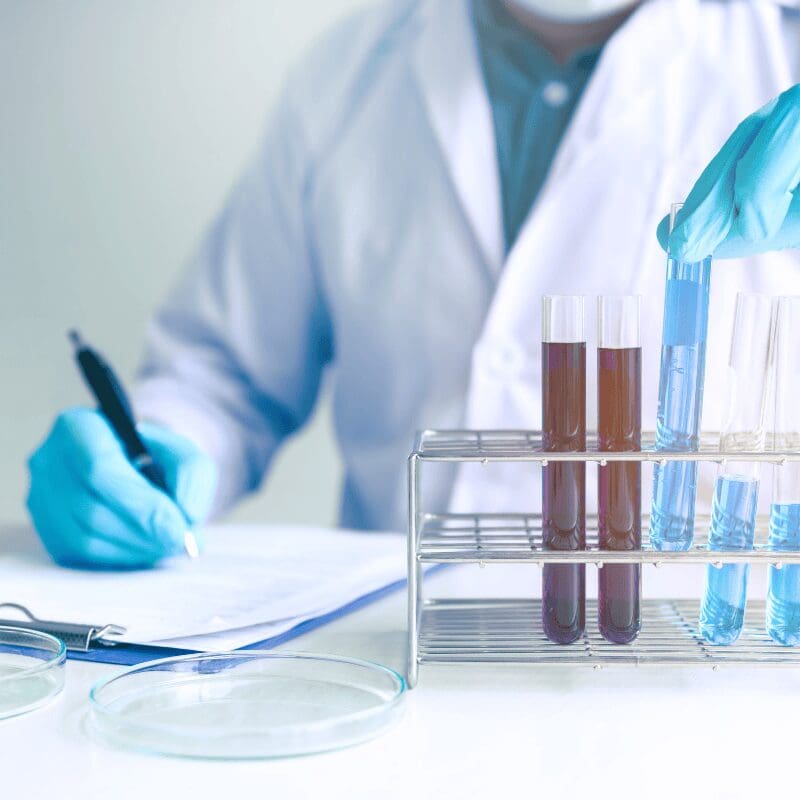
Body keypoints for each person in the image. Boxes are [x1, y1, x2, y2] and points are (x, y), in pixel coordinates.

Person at [27, 0, 800, 568]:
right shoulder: (347, 74)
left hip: (695, 665)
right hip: (392, 644)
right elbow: (223, 375)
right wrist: (157, 448)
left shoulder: (778, 54)